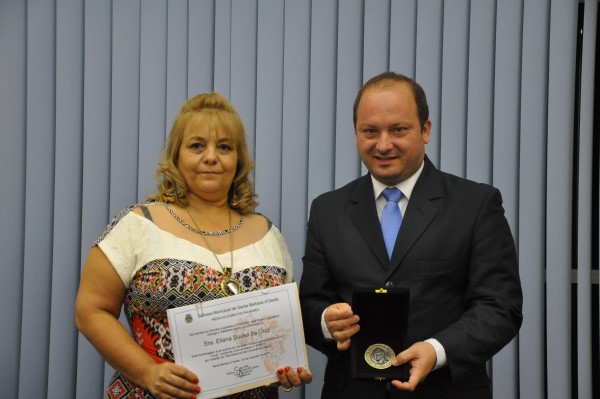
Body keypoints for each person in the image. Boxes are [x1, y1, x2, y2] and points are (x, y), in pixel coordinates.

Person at [299, 72, 522, 399]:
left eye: (399, 129)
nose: (383, 144)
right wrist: (324, 323)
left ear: (425, 130)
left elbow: (500, 307)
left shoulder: (475, 204)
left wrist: (437, 350)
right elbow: (309, 302)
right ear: (356, 133)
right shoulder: (327, 209)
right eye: (370, 131)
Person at [75, 92, 312, 399]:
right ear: (177, 156)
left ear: (239, 158)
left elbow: (279, 330)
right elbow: (90, 310)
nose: (211, 157)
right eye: (197, 146)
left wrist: (282, 366)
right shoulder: (136, 225)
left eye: (224, 147)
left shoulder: (269, 235)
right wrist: (147, 372)